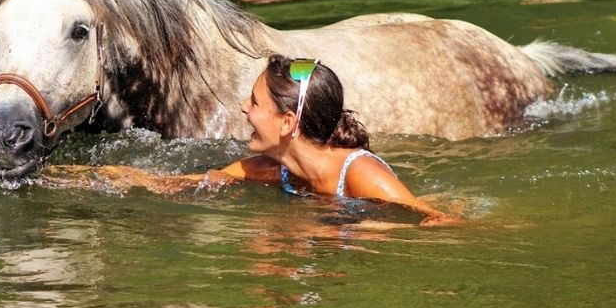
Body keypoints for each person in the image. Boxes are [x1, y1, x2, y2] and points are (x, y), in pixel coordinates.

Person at [44, 54, 453, 225]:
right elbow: (178, 184)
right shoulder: (277, 173)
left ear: (287, 122)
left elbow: (440, 220)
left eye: (254, 102)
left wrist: (351, 232)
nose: (243, 107)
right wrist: (82, 178)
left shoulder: (360, 173)